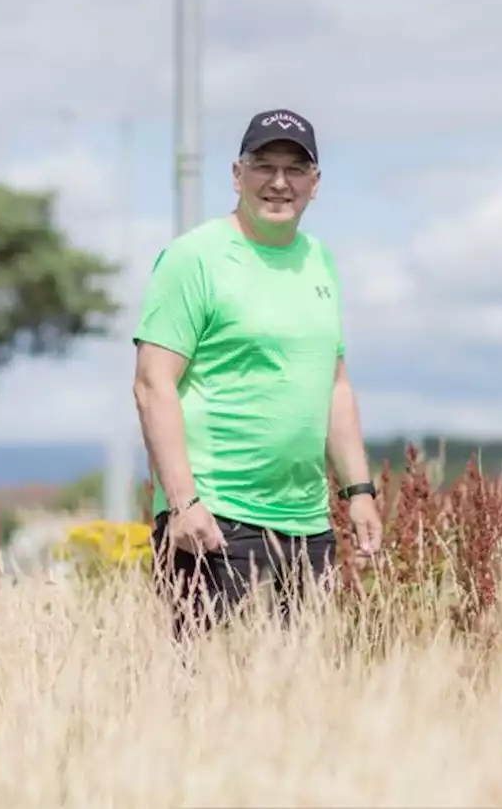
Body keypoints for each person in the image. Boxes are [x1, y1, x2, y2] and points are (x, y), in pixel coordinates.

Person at [132, 107, 384, 638]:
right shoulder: (193, 258)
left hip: (306, 523)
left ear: (315, 184)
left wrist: (358, 491)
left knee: (298, 698)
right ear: (236, 174)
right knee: (205, 696)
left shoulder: (320, 261)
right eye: (263, 166)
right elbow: (153, 383)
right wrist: (183, 503)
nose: (278, 182)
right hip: (214, 519)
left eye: (295, 169)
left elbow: (333, 384)